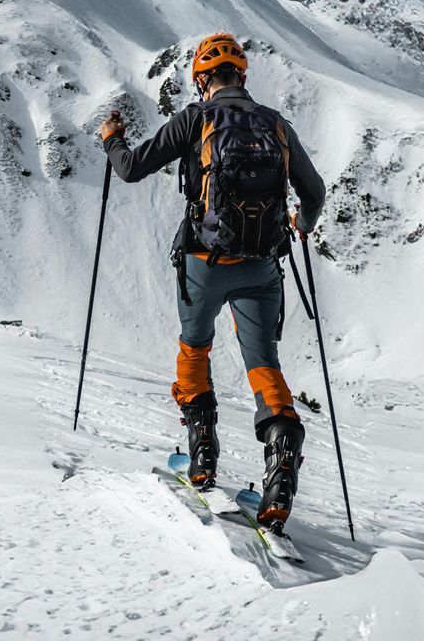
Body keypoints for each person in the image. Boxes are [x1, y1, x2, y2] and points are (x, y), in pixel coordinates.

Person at [98, 32, 326, 527]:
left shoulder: (196, 119)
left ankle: (202, 456)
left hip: (205, 263)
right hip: (262, 266)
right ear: (242, 75)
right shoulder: (276, 127)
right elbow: (314, 192)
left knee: (195, 346)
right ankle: (282, 455)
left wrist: (112, 140)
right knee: (263, 362)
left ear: (201, 79)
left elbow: (132, 169)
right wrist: (300, 225)